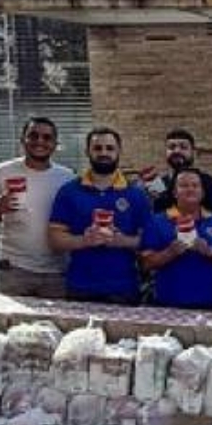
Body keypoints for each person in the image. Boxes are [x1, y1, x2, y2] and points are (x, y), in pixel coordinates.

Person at [0, 116, 75, 297]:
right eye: (33, 136)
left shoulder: (67, 178)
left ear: (55, 144)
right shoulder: (3, 171)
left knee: (55, 324)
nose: (39, 142)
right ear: (23, 140)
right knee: (11, 324)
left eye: (46, 137)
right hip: (14, 269)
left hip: (56, 271)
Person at [47, 126, 150, 304]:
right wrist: (84, 240)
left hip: (123, 288)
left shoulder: (136, 195)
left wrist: (122, 241)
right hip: (80, 286)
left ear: (119, 152)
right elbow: (54, 239)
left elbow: (149, 240)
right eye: (97, 148)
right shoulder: (69, 192)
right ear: (87, 151)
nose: (104, 153)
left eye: (110, 148)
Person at [138, 168, 212, 310]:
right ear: (174, 192)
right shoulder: (157, 221)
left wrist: (211, 251)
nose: (190, 189)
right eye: (184, 186)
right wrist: (169, 253)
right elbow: (145, 263)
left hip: (209, 302)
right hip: (168, 303)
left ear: (203, 192)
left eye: (195, 185)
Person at [145, 128, 212, 215]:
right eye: (172, 147)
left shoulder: (209, 182)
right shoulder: (157, 185)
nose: (177, 151)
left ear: (193, 152)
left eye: (183, 147)